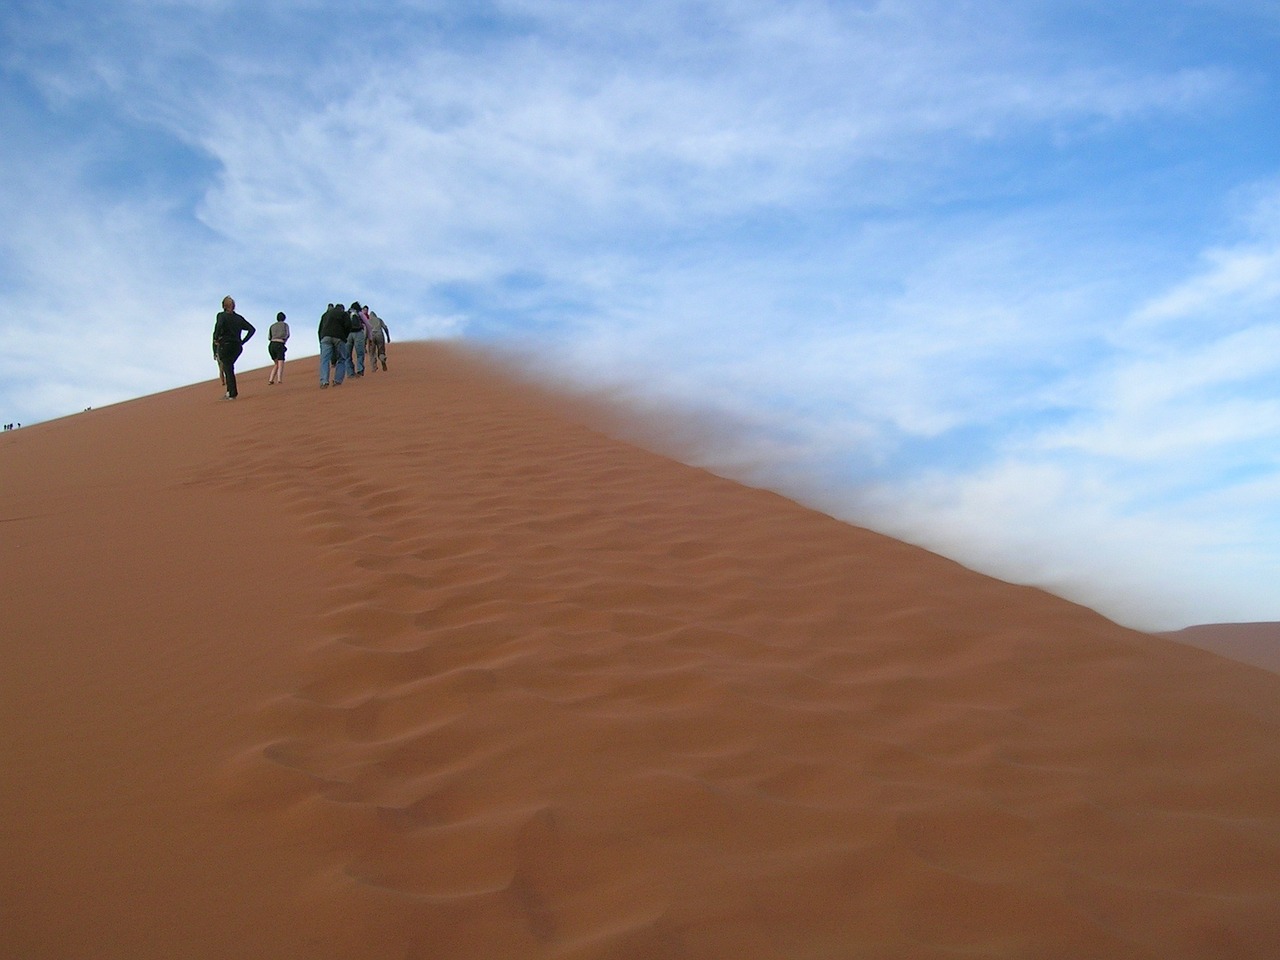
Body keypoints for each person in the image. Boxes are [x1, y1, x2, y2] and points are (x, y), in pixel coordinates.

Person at [211, 296, 256, 400]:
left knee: (228, 368)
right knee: (229, 368)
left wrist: (216, 338)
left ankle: (232, 393)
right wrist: (242, 342)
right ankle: (230, 392)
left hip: (226, 345)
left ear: (224, 306)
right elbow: (252, 329)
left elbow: (218, 326)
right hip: (237, 347)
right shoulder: (238, 318)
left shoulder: (221, 315)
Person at [318, 302, 351, 388]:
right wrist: (345, 337)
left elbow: (320, 329)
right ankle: (337, 381)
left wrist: (321, 341)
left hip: (325, 337)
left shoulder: (325, 314)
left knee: (324, 360)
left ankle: (324, 381)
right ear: (342, 308)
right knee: (342, 359)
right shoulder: (344, 314)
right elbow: (348, 326)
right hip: (339, 338)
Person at [267, 311, 290, 384]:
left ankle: (271, 379)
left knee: (276, 363)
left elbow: (269, 337)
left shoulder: (272, 326)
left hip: (271, 345)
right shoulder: (285, 325)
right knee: (280, 363)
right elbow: (287, 335)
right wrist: (284, 341)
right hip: (279, 344)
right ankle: (279, 379)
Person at [347, 301, 369, 378]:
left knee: (347, 355)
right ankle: (360, 370)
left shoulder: (347, 313)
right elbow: (367, 324)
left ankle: (350, 372)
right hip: (358, 333)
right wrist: (370, 337)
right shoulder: (360, 313)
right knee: (360, 353)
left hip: (348, 335)